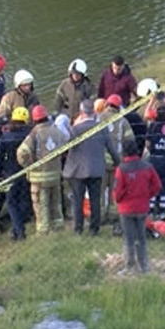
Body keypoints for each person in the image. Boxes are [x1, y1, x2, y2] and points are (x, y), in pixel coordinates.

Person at [62, 100, 120, 236]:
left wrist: (74, 126)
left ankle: (78, 229)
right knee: (95, 200)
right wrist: (119, 163)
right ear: (94, 112)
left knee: (78, 200)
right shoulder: (102, 128)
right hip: (96, 169)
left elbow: (65, 146)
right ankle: (94, 229)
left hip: (77, 171)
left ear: (81, 113)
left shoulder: (75, 129)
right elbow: (111, 149)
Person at [17, 105, 69, 235]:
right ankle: (58, 226)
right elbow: (66, 145)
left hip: (39, 178)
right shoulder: (56, 131)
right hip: (56, 175)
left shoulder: (34, 134)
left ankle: (43, 231)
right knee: (56, 203)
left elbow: (21, 153)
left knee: (41, 204)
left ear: (34, 120)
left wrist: (29, 165)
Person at [114, 140, 162, 274]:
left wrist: (120, 199)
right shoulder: (147, 166)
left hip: (126, 209)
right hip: (142, 207)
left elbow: (117, 192)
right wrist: (147, 195)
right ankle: (144, 266)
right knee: (141, 238)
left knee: (129, 238)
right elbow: (157, 185)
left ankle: (129, 266)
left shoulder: (121, 169)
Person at [0, 107, 33, 241]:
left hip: (10, 173)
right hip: (27, 171)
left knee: (11, 202)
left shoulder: (6, 137)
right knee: (23, 199)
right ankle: (19, 227)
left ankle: (18, 230)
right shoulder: (30, 134)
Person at [98, 94, 135, 222]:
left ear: (107, 104)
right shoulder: (123, 121)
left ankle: (100, 217)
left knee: (100, 192)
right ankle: (114, 217)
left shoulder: (99, 118)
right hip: (117, 162)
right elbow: (130, 140)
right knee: (115, 191)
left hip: (100, 162)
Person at [145, 106, 165, 219]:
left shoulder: (153, 126)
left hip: (155, 158)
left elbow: (148, 144)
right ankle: (162, 212)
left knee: (152, 184)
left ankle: (150, 210)